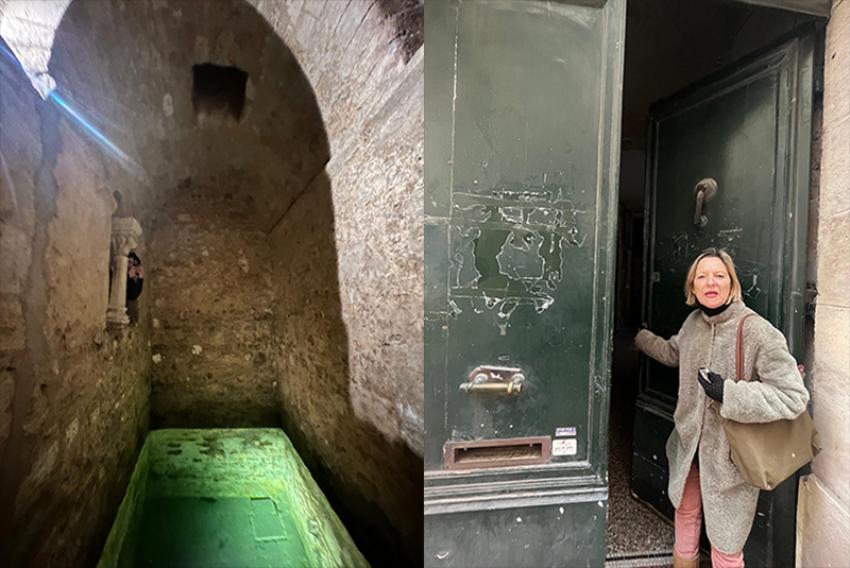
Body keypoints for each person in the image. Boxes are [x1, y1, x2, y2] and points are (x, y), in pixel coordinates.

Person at [634, 248, 809, 568]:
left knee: (726, 547)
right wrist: (640, 337)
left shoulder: (758, 331)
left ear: (732, 284)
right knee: (685, 512)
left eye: (719, 275)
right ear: (692, 288)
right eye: (702, 277)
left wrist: (728, 392)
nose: (710, 282)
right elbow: (672, 353)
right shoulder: (693, 323)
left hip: (730, 459)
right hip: (689, 447)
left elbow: (793, 396)